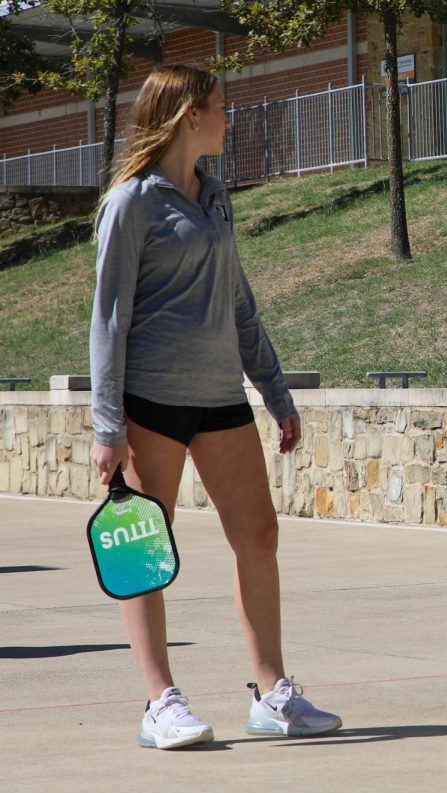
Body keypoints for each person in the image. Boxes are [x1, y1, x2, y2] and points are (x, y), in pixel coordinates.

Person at [90, 65, 342, 748]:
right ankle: (159, 701)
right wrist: (107, 425)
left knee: (258, 535)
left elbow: (238, 301)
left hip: (220, 395)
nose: (230, 118)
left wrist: (275, 389)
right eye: (221, 108)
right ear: (186, 116)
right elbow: (108, 320)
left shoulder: (216, 194)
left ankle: (271, 693)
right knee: (145, 551)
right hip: (151, 399)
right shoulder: (132, 203)